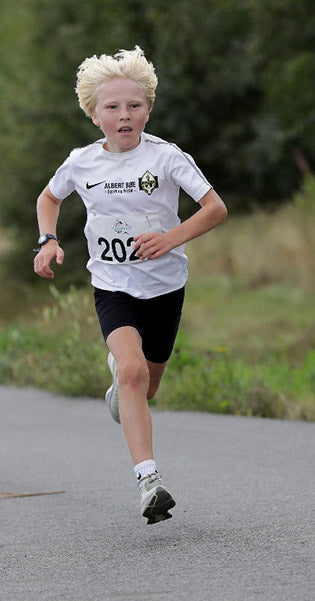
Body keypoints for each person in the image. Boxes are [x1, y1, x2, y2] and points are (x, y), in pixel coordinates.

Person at [33, 47, 228, 524]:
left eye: (134, 106)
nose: (125, 115)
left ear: (148, 109)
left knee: (147, 384)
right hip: (113, 284)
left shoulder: (165, 157)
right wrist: (48, 239)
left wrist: (170, 238)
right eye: (113, 107)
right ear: (94, 114)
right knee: (134, 373)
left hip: (165, 285)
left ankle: (122, 388)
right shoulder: (81, 162)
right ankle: (149, 481)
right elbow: (48, 197)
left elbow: (215, 208)